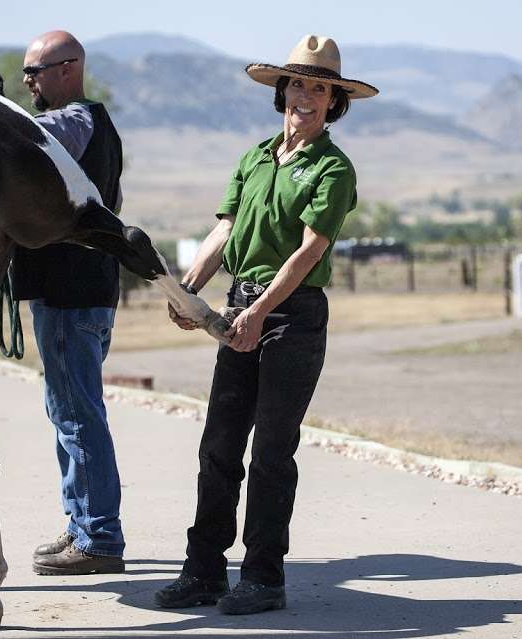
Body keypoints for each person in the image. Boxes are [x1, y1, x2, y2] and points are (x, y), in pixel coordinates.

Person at [152, 34, 378, 615]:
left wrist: (261, 311)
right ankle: (203, 572)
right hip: (239, 308)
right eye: (297, 83)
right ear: (282, 91)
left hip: (293, 316)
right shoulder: (254, 158)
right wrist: (188, 291)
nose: (304, 95)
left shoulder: (333, 168)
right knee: (219, 445)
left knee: (273, 451)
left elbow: (308, 252)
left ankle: (263, 578)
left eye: (319, 88)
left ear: (334, 102)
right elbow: (224, 233)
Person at [8, 30, 127, 576]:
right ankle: (84, 525)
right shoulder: (96, 126)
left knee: (77, 416)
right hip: (84, 290)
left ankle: (99, 539)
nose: (27, 80)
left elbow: (20, 133)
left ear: (67, 69)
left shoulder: (73, 121)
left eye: (34, 71)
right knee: (70, 413)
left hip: (71, 293)